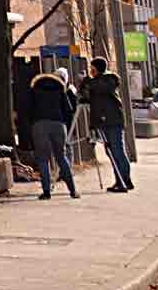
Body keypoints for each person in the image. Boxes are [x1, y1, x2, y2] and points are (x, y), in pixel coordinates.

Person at [22, 66, 80, 199]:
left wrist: (32, 123)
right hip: (58, 125)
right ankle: (72, 190)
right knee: (61, 156)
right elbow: (68, 110)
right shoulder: (61, 90)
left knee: (43, 159)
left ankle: (46, 192)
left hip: (39, 124)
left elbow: (27, 109)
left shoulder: (34, 90)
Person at [81, 58, 133, 193]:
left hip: (113, 121)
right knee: (111, 152)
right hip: (104, 122)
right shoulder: (96, 83)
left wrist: (88, 81)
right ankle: (120, 180)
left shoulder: (109, 79)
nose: (91, 71)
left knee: (117, 151)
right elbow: (90, 98)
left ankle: (125, 180)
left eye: (92, 68)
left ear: (97, 68)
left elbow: (100, 87)